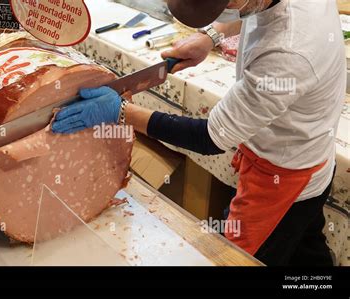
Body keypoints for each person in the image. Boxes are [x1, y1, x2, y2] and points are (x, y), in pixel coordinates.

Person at [52, 0, 346, 266]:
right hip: (309, 150)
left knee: (237, 260)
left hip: (284, 174)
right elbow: (252, 10)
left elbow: (210, 138)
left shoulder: (289, 51)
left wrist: (120, 112)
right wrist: (210, 36)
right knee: (307, 250)